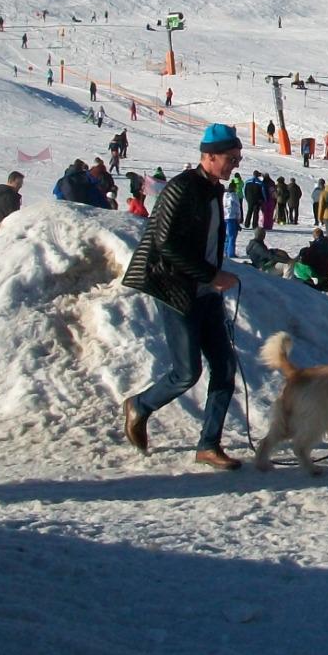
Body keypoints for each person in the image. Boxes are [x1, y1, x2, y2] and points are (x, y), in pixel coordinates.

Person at [119, 123, 245, 470]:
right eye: (230, 158)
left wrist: (214, 276)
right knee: (186, 372)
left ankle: (209, 445)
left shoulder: (215, 190)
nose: (235, 164)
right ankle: (140, 406)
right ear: (208, 156)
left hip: (207, 293)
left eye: (237, 157)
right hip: (176, 290)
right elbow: (164, 244)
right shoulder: (181, 188)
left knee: (224, 367)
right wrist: (210, 275)